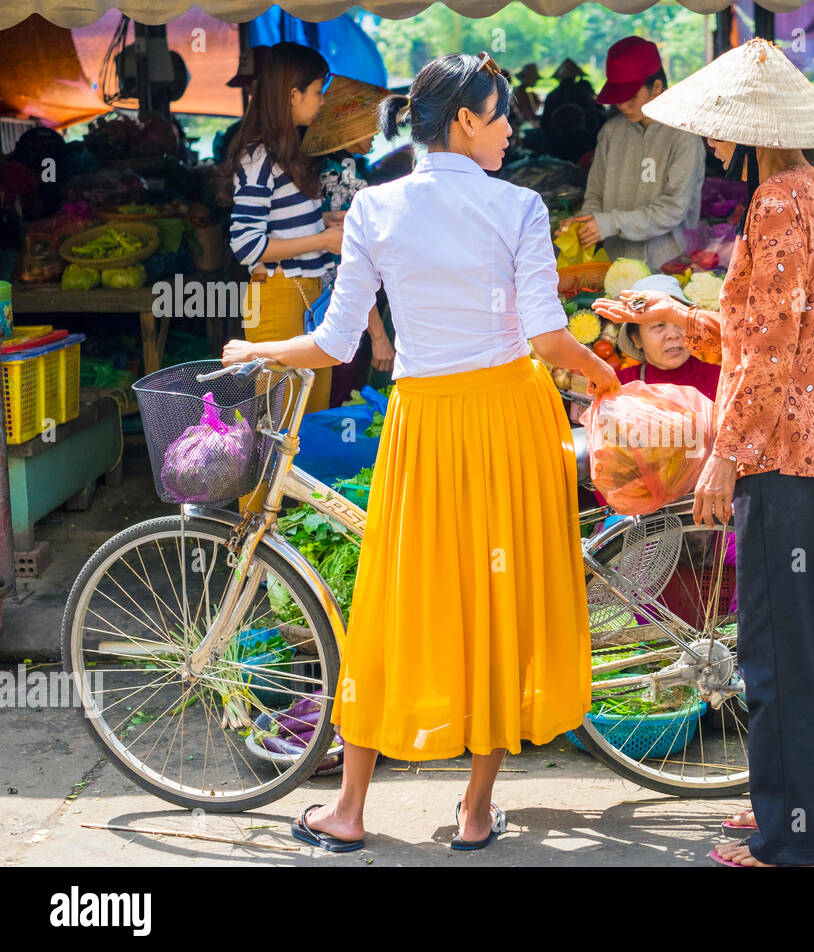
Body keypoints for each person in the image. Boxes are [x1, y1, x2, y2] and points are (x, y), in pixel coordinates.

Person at [222, 51, 619, 853]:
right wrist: (604, 371)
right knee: (499, 605)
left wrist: (253, 351)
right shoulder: (518, 207)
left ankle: (350, 811)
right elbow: (547, 336)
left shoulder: (373, 207)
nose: (511, 127)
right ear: (466, 120)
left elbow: (337, 343)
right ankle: (474, 813)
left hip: (426, 425)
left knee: (395, 602)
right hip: (511, 420)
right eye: (501, 113)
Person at [596, 38, 814, 866]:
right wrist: (687, 318)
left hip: (786, 457)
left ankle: (797, 839)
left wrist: (726, 455)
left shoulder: (779, 201)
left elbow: (776, 351)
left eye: (720, 128)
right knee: (796, 650)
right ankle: (793, 812)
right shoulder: (805, 191)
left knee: (778, 656)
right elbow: (774, 326)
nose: (711, 141)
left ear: (751, 131)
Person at [218, 41, 342, 414]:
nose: (321, 102)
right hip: (276, 298)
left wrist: (324, 223)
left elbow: (283, 225)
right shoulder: (258, 157)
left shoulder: (287, 151)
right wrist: (322, 239)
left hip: (307, 296)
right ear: (293, 94)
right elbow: (247, 245)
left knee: (310, 419)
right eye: (317, 92)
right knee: (283, 424)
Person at [556, 37, 706, 272]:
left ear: (657, 87)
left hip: (669, 263)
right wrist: (583, 225)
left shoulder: (683, 136)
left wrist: (609, 223)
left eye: (631, 96)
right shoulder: (611, 132)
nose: (622, 105)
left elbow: (672, 210)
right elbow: (595, 195)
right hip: (613, 261)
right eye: (618, 96)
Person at [301, 74, 399, 394]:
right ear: (349, 129)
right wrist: (379, 336)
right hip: (338, 301)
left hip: (320, 295)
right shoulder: (344, 173)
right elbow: (352, 258)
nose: (377, 133)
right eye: (370, 125)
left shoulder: (325, 166)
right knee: (339, 390)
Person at [615, 275, 720, 398]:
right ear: (636, 339)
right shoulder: (621, 387)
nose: (673, 335)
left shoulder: (720, 380)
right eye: (658, 325)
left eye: (680, 322)